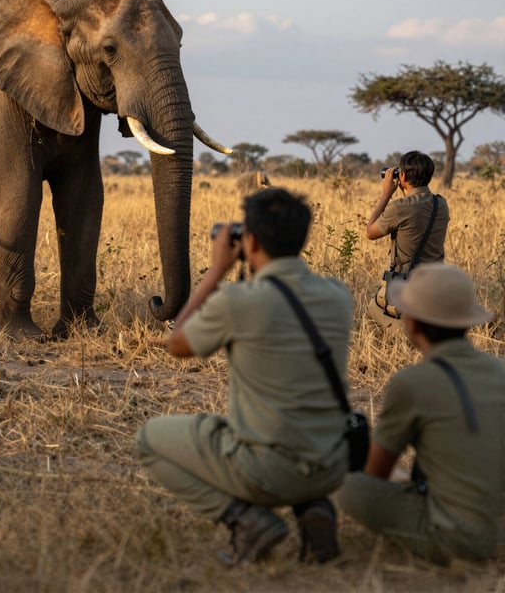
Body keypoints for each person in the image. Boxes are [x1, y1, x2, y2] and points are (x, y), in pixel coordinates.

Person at [136, 188, 354, 566]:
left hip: (267, 470)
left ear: (249, 240)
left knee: (149, 440)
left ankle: (249, 521)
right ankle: (314, 506)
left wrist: (216, 272)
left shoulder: (240, 302)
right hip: (332, 463)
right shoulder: (338, 295)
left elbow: (177, 344)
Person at [337, 263, 503, 565]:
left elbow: (375, 472)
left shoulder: (412, 382)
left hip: (459, 539)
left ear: (411, 322)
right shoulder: (500, 369)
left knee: (347, 486)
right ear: (468, 320)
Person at [366, 151, 449, 328]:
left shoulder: (399, 208)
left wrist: (386, 194)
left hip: (408, 288)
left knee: (371, 311)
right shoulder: (441, 204)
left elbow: (370, 232)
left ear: (401, 175)